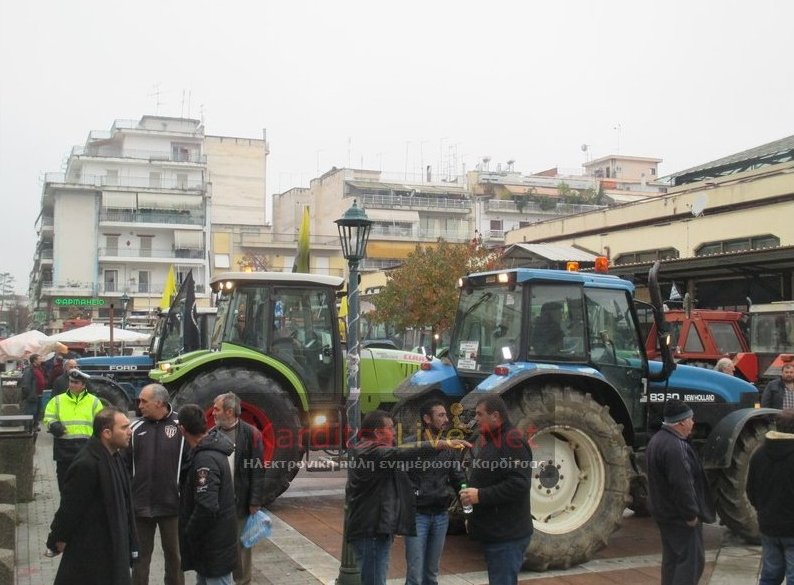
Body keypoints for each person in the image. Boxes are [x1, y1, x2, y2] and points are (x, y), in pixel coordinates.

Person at [346, 410, 470, 585]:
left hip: (374, 529)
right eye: (391, 428)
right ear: (378, 433)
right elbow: (402, 452)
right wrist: (440, 444)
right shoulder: (371, 453)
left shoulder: (369, 450)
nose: (395, 432)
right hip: (371, 531)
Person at [47, 406, 138, 585]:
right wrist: (57, 538)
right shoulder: (87, 464)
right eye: (124, 427)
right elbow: (70, 508)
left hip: (113, 549)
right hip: (92, 556)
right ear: (106, 433)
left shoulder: (115, 456)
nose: (130, 432)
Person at [459, 395, 532, 585]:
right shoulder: (494, 440)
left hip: (507, 537)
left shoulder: (512, 441)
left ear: (495, 416)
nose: (476, 419)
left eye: (479, 414)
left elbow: (519, 483)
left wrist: (480, 496)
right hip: (497, 533)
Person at [646, 399, 715, 585]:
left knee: (672, 561)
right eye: (691, 418)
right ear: (682, 422)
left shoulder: (657, 440)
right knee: (690, 563)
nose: (693, 422)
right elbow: (683, 485)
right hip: (680, 517)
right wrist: (691, 514)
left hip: (664, 513)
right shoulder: (677, 447)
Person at [127, 384, 186, 585]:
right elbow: (125, 467)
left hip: (172, 506)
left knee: (175, 558)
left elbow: (189, 464)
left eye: (144, 401)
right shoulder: (134, 429)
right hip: (140, 507)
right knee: (140, 559)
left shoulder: (181, 426)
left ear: (159, 403)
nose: (139, 405)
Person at [403, 399, 466, 585]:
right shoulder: (411, 445)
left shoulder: (449, 447)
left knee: (431, 574)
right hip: (417, 516)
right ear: (427, 419)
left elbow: (458, 477)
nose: (446, 419)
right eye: (441, 415)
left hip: (440, 516)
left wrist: (468, 509)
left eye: (446, 414)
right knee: (414, 574)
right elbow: (400, 478)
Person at [178, 403, 237, 585]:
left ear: (182, 429)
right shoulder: (206, 452)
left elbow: (207, 505)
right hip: (211, 546)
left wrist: (190, 531)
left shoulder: (205, 459)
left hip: (213, 546)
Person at [211, 392, 266, 585]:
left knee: (241, 546)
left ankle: (242, 581)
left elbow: (257, 470)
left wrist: (255, 501)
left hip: (240, 501)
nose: (213, 413)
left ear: (229, 411)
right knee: (219, 545)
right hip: (217, 503)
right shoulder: (212, 434)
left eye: (216, 409)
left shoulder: (251, 434)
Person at [747, 409, 794, 584]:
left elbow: (750, 490)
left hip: (768, 526)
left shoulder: (759, 454)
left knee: (770, 575)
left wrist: (764, 511)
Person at [43, 369, 104, 492]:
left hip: (86, 449)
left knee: (85, 485)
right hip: (63, 450)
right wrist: (54, 426)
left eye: (76, 382)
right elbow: (48, 417)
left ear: (83, 385)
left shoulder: (94, 402)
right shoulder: (57, 400)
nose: (72, 384)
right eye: (71, 381)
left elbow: (101, 423)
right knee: (65, 485)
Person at [19, 353, 46, 428]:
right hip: (33, 395)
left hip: (39, 394)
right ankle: (28, 429)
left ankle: (34, 427)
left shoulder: (39, 368)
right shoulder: (29, 370)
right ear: (34, 360)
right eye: (39, 358)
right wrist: (30, 395)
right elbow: (26, 384)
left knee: (37, 413)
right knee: (31, 413)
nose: (41, 360)